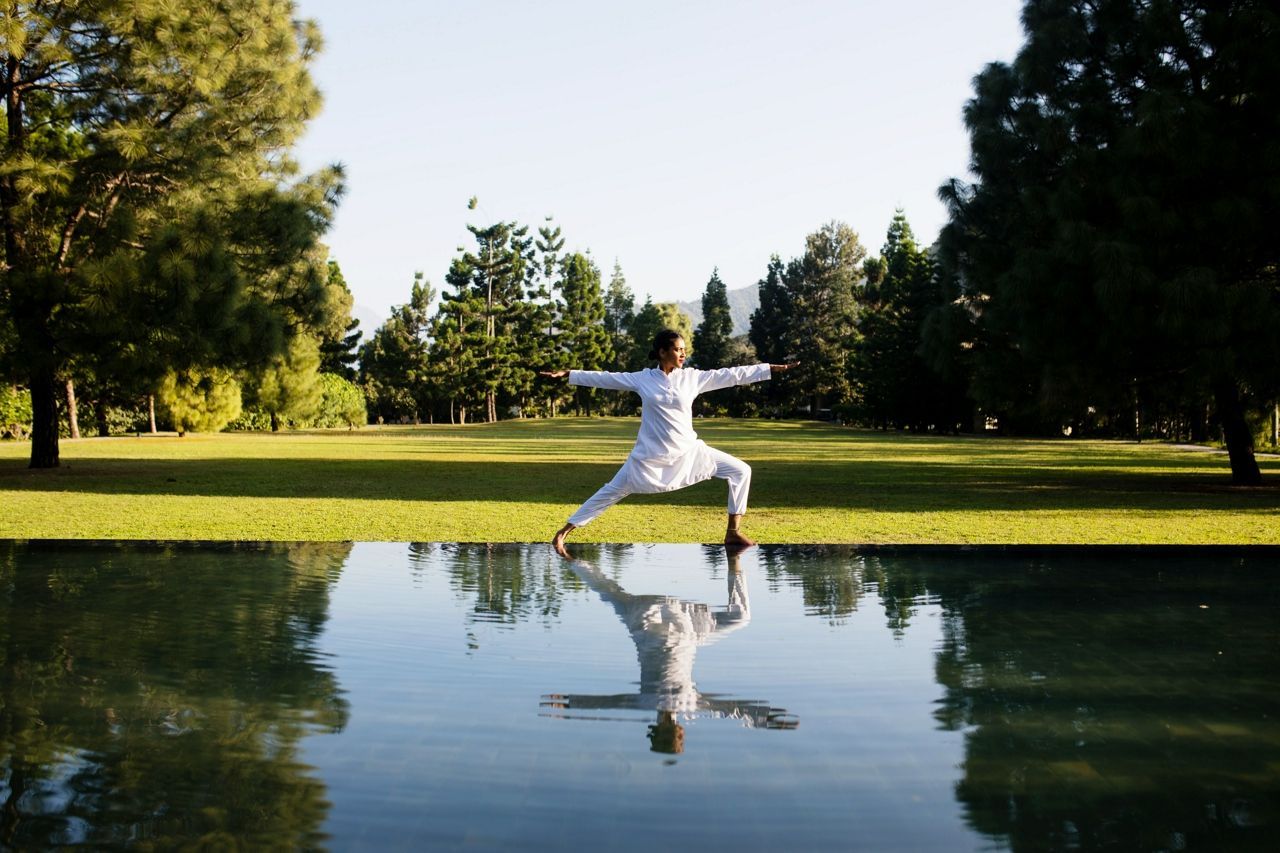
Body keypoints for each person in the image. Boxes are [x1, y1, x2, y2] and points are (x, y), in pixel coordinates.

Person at [540, 329, 795, 555]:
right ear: (662, 352)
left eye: (684, 349)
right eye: (678, 349)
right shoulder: (643, 378)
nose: (683, 354)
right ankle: (563, 532)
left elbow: (731, 375)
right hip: (649, 457)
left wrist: (767, 369)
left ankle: (733, 533)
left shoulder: (692, 378)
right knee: (610, 492)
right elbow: (606, 378)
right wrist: (569, 373)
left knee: (741, 470)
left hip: (690, 452)